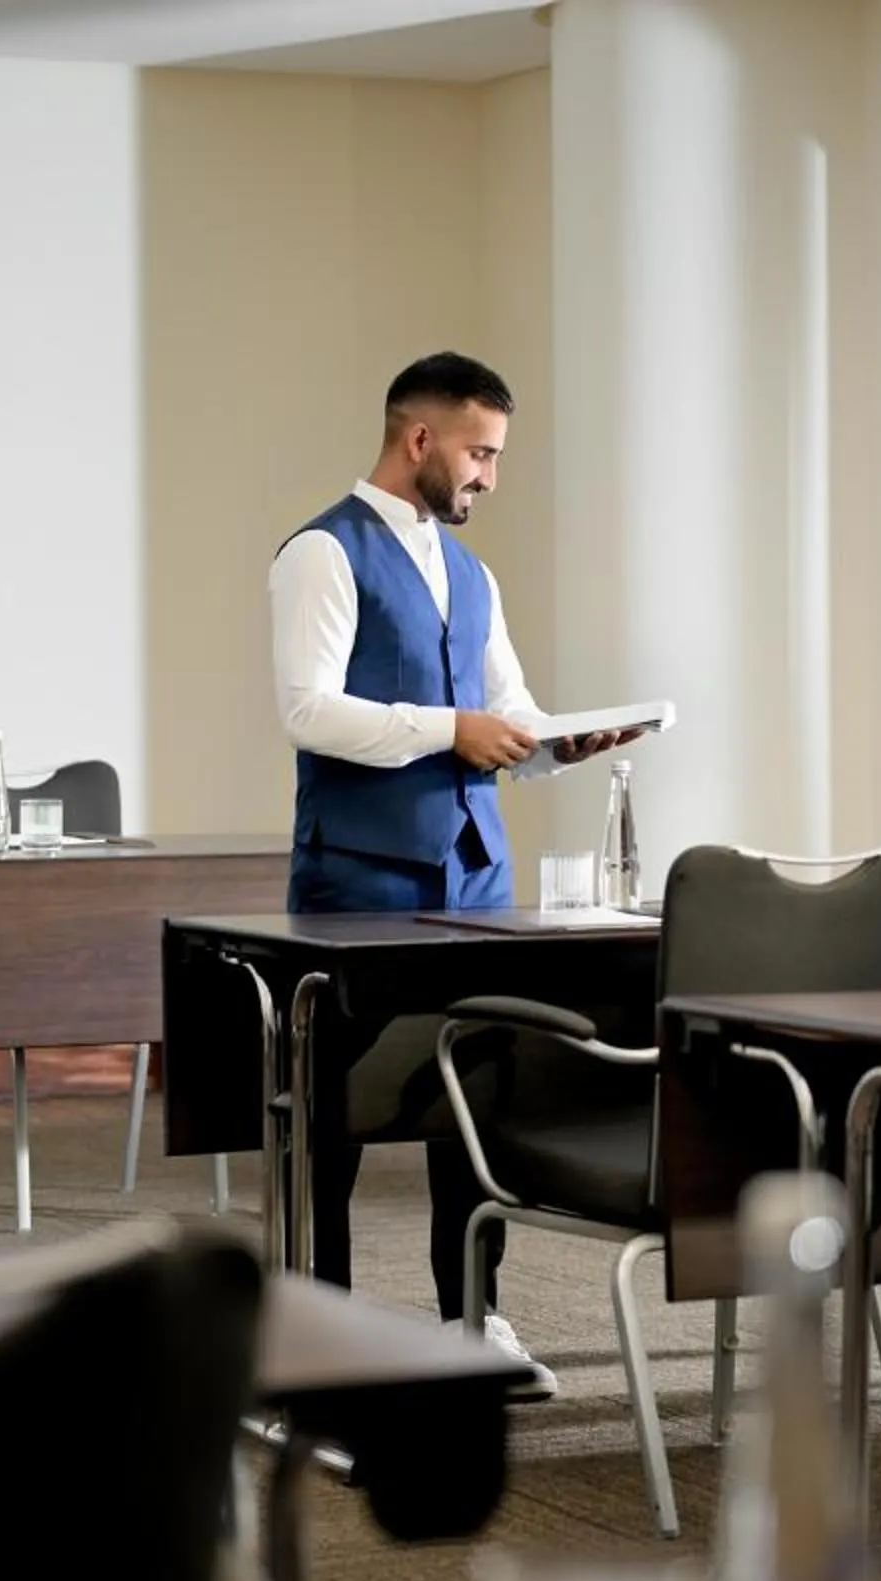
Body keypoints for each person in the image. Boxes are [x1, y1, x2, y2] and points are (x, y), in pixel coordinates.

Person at [269, 352, 636, 1397]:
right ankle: (321, 1330)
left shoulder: (474, 575)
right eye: (480, 452)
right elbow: (307, 709)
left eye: (498, 455)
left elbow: (505, 709)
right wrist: (450, 728)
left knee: (472, 1104)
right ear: (419, 437)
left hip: (475, 877)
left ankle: (471, 1317)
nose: (490, 475)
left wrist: (560, 741)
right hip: (360, 880)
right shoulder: (322, 552)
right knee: (335, 1118)